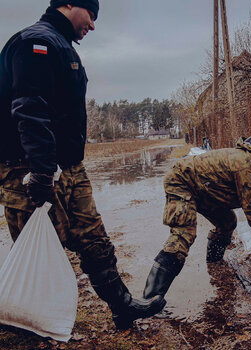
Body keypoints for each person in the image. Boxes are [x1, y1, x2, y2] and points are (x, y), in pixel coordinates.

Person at [0, 0, 165, 330]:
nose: (93, 25)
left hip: (69, 167)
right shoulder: (37, 43)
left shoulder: (61, 46)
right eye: (91, 15)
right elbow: (29, 110)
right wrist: (43, 171)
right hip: (30, 168)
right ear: (69, 4)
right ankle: (27, 318)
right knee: (42, 244)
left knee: (94, 237)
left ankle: (122, 306)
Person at [143, 135, 251, 301]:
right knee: (183, 235)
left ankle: (214, 262)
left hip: (205, 189)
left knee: (227, 222)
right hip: (182, 181)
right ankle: (151, 299)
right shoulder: (250, 166)